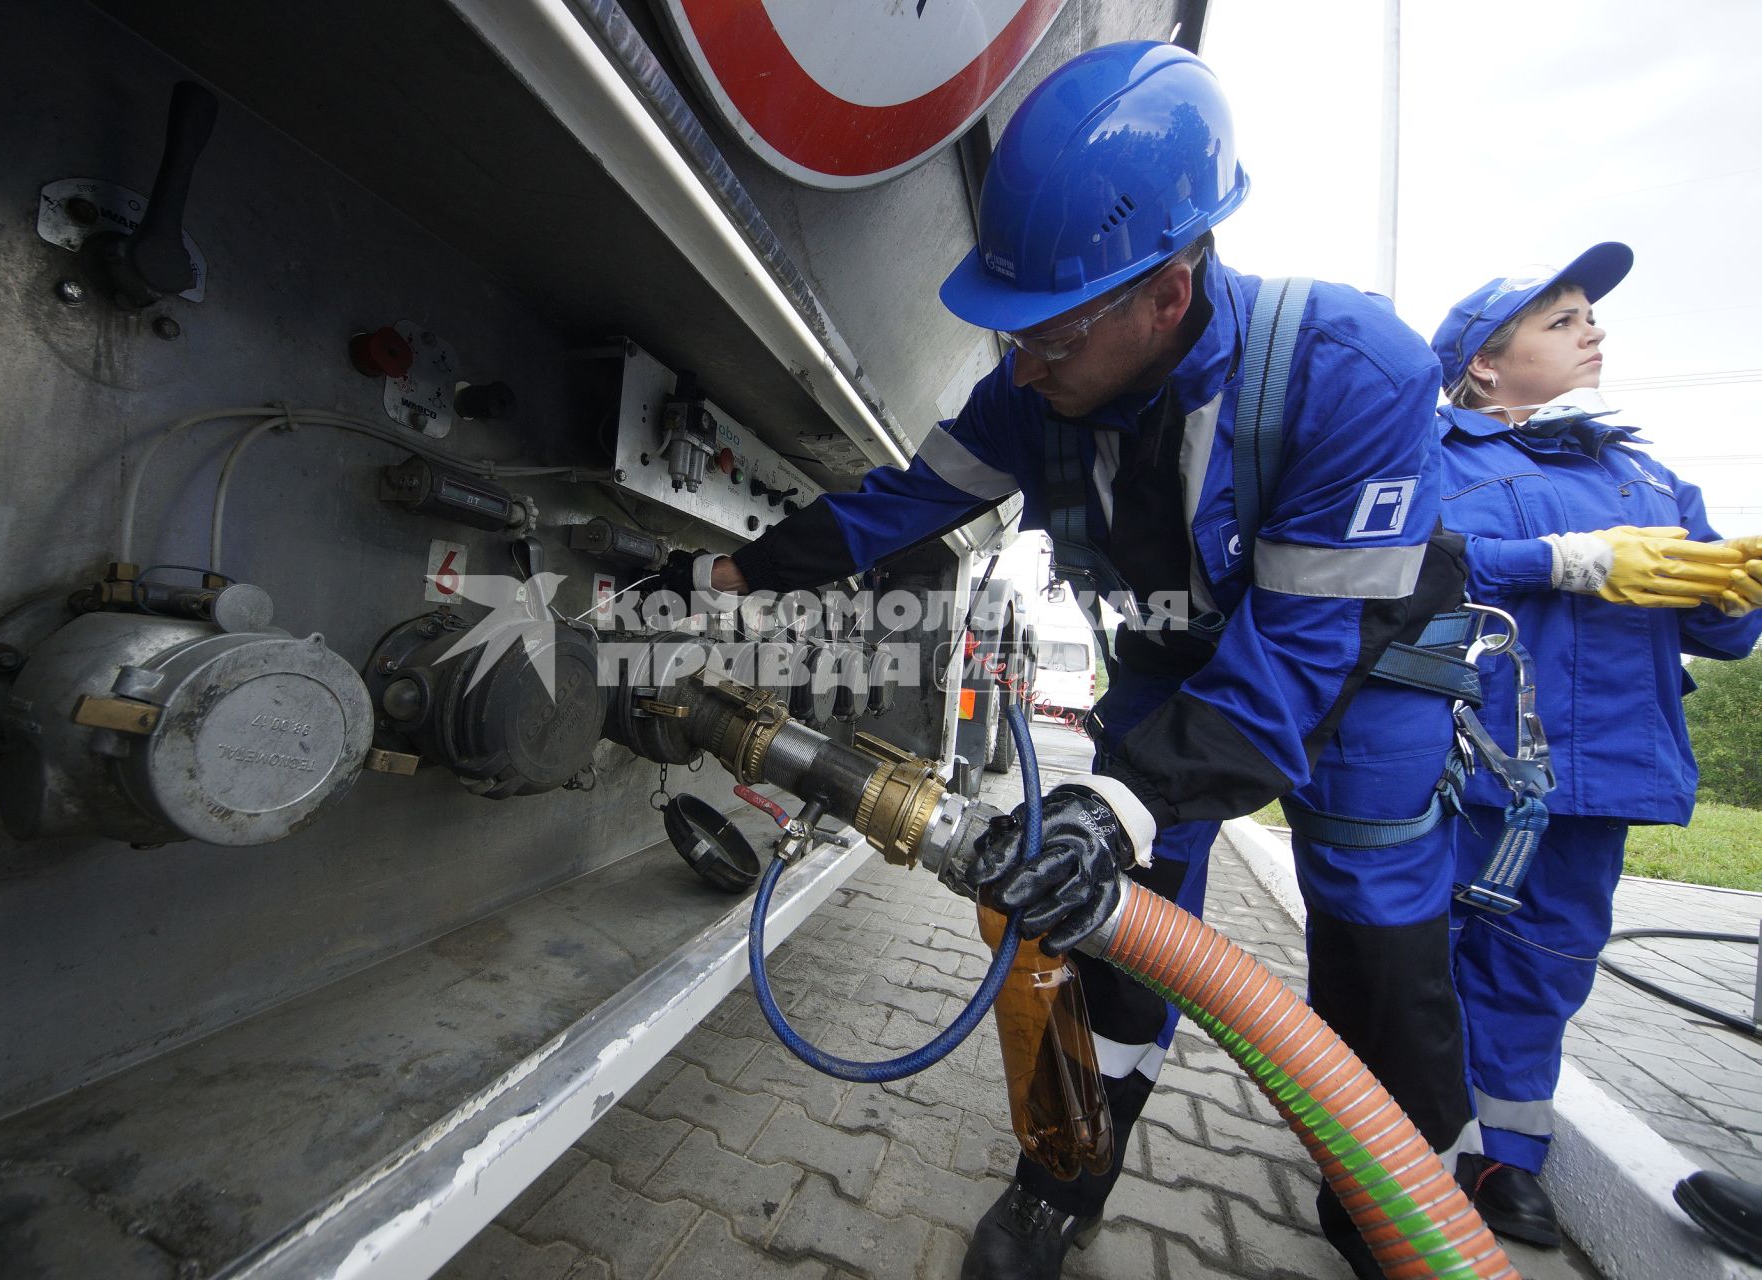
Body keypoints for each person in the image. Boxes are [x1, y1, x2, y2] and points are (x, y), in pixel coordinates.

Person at [670, 41, 1470, 1280]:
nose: (1021, 366)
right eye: (1010, 336)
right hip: (1164, 678)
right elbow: (899, 505)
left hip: (1353, 688)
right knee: (1109, 930)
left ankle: (1399, 1222)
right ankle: (1064, 1173)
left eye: (1046, 334)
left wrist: (1118, 802)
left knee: (1373, 931)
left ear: (1170, 286)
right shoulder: (1029, 397)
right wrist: (721, 576)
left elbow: (1295, 657)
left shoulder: (1348, 371)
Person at [1425, 243, 1762, 1245]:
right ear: (1483, 363)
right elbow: (1402, 563)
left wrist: (1729, 583)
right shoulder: (1434, 454)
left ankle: (1503, 1157)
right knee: (1416, 958)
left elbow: (1722, 633)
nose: (1592, 331)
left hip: (1602, 772)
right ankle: (1392, 1139)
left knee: (1542, 967)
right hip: (1462, 766)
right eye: (1560, 318)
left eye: (1589, 317)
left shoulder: (1645, 473)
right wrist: (1555, 561)